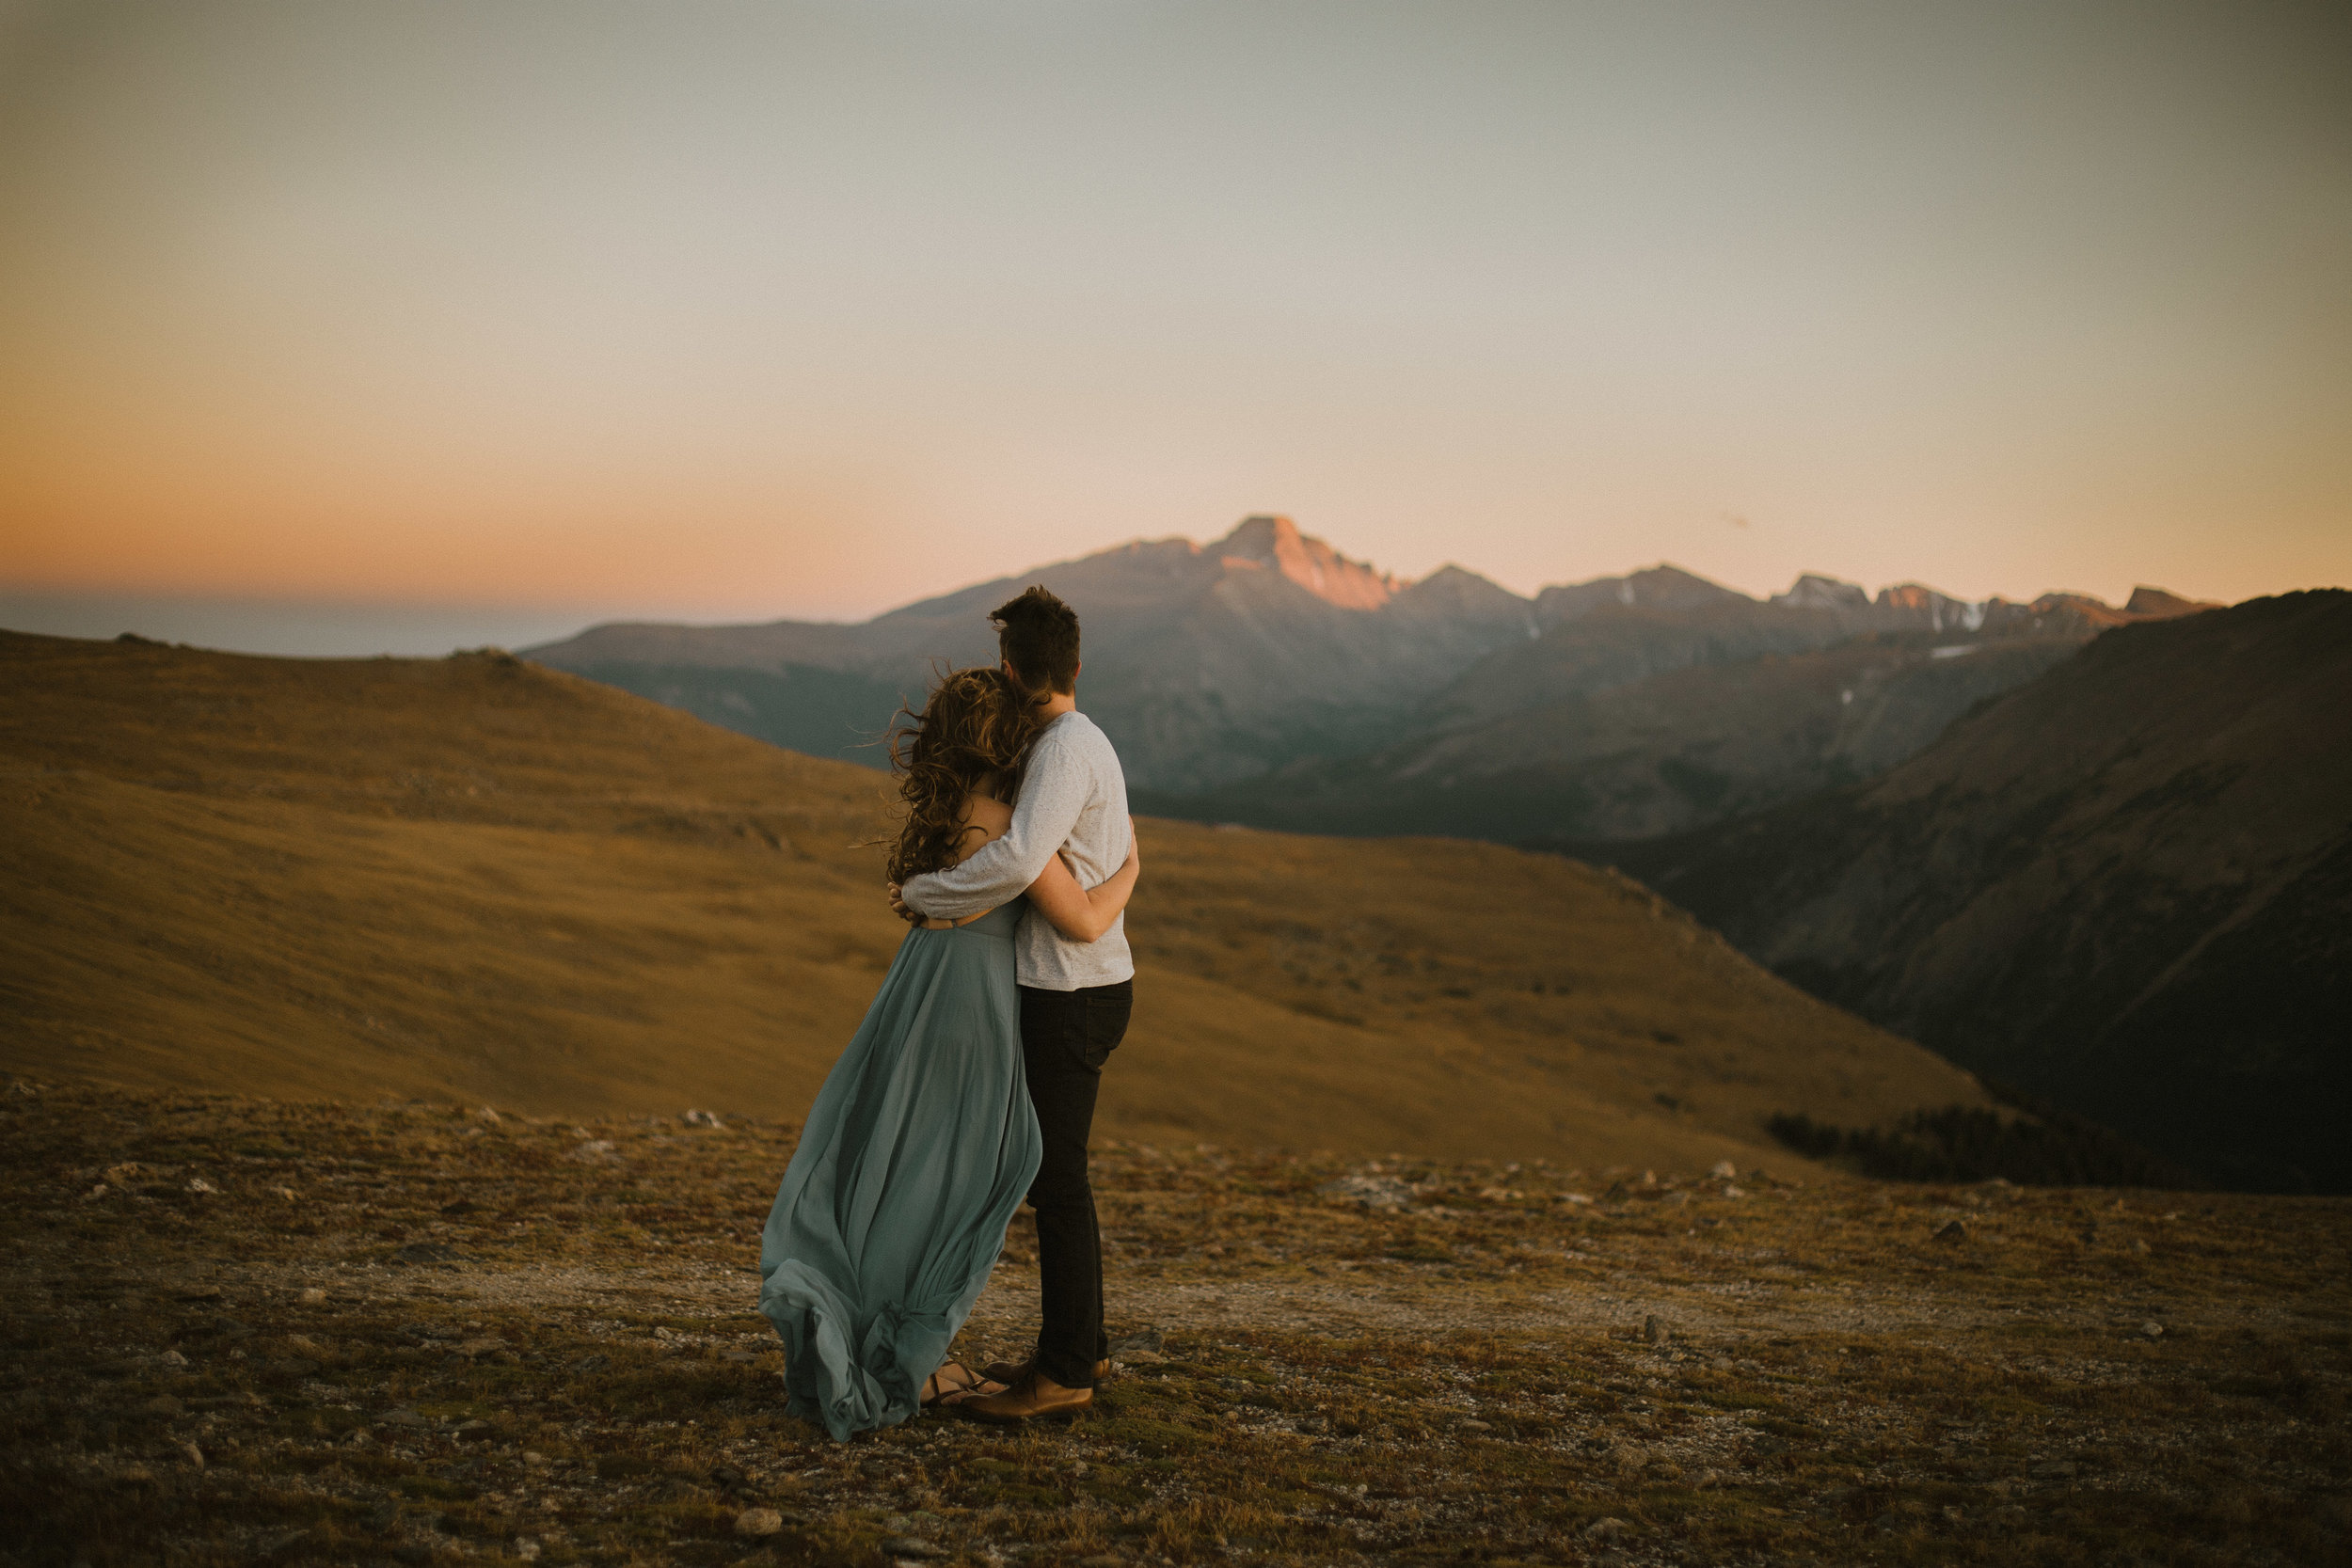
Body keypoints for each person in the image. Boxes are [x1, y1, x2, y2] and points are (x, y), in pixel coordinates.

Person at [758, 664, 1139, 1443]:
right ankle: (909, 1353)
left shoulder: (957, 806)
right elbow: (1084, 915)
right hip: (972, 999)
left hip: (929, 978)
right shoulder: (1004, 816)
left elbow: (936, 894)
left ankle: (913, 1340)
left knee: (911, 1158)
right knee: (948, 1176)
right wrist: (1132, 865)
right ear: (1001, 737)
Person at [892, 586, 1134, 1424]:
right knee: (1057, 1175)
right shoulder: (1083, 739)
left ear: (1009, 669)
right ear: (1075, 663)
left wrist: (930, 891)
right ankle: (1083, 1342)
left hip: (1068, 990)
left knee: (1056, 1180)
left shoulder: (1064, 747)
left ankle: (1067, 1369)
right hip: (1089, 981)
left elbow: (1023, 856)